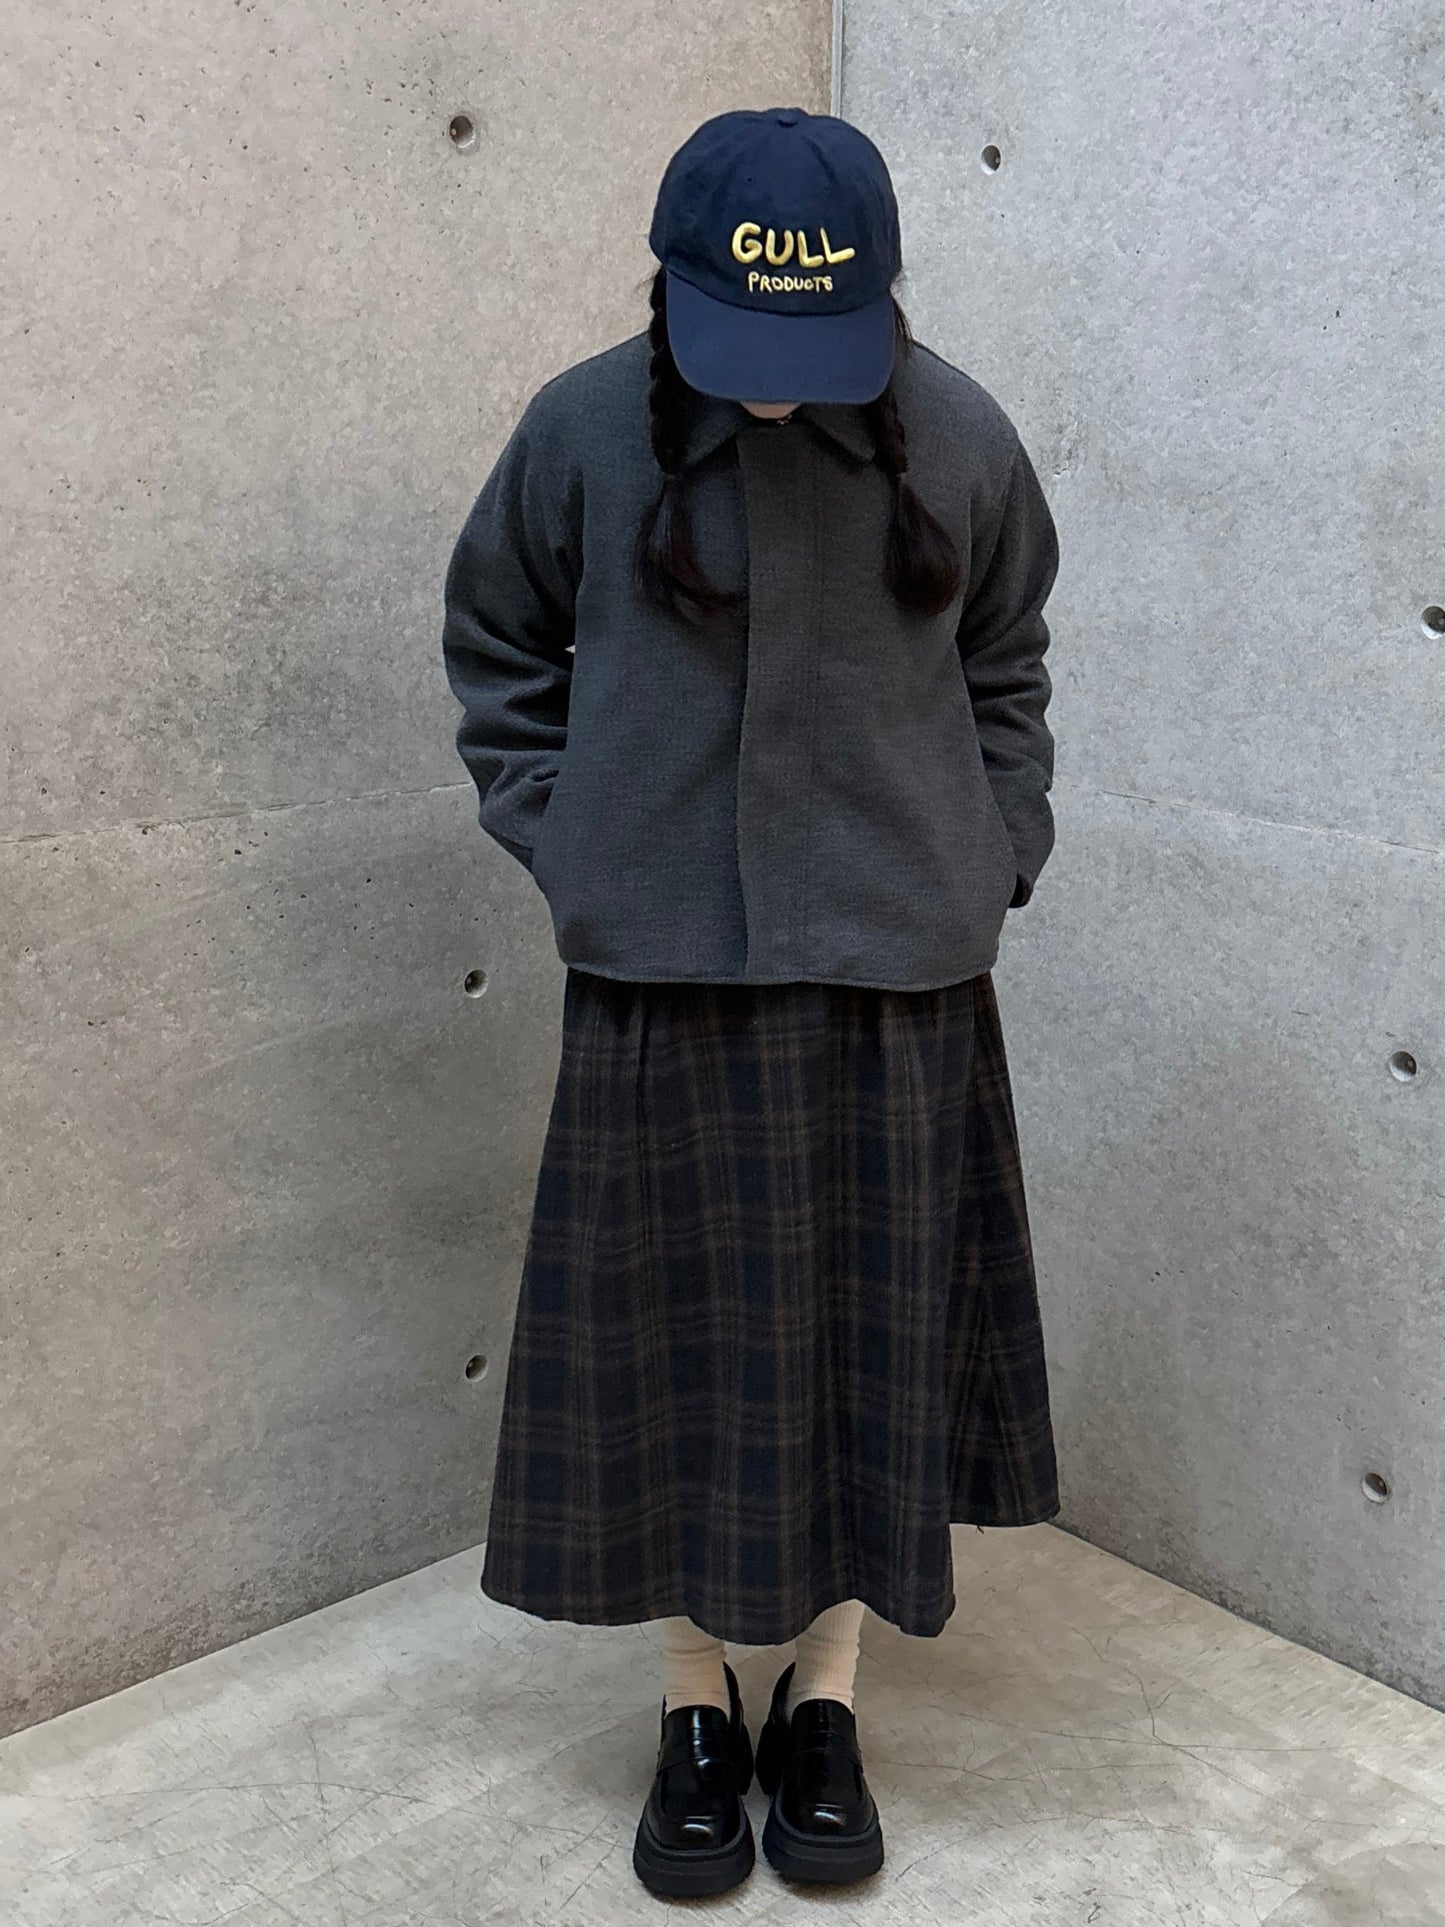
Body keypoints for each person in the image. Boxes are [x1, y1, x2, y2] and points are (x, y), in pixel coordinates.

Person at [441, 105, 1062, 1898]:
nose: (776, 389)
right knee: (676, 1355)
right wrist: (578, 843)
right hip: (663, 976)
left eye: (815, 345)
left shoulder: (962, 435)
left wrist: (991, 848)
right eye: (743, 342)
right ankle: (694, 1700)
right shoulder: (580, 431)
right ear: (673, 290)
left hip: (900, 979)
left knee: (872, 1349)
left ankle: (828, 1701)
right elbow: (499, 653)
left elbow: (1007, 664)